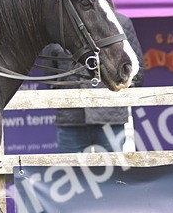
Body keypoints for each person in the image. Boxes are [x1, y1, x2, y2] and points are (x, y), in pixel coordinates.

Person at [49, 13, 144, 153]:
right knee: (70, 173)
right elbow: (50, 74)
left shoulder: (121, 22)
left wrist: (116, 96)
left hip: (111, 118)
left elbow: (136, 72)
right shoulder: (59, 25)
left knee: (113, 172)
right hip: (71, 118)